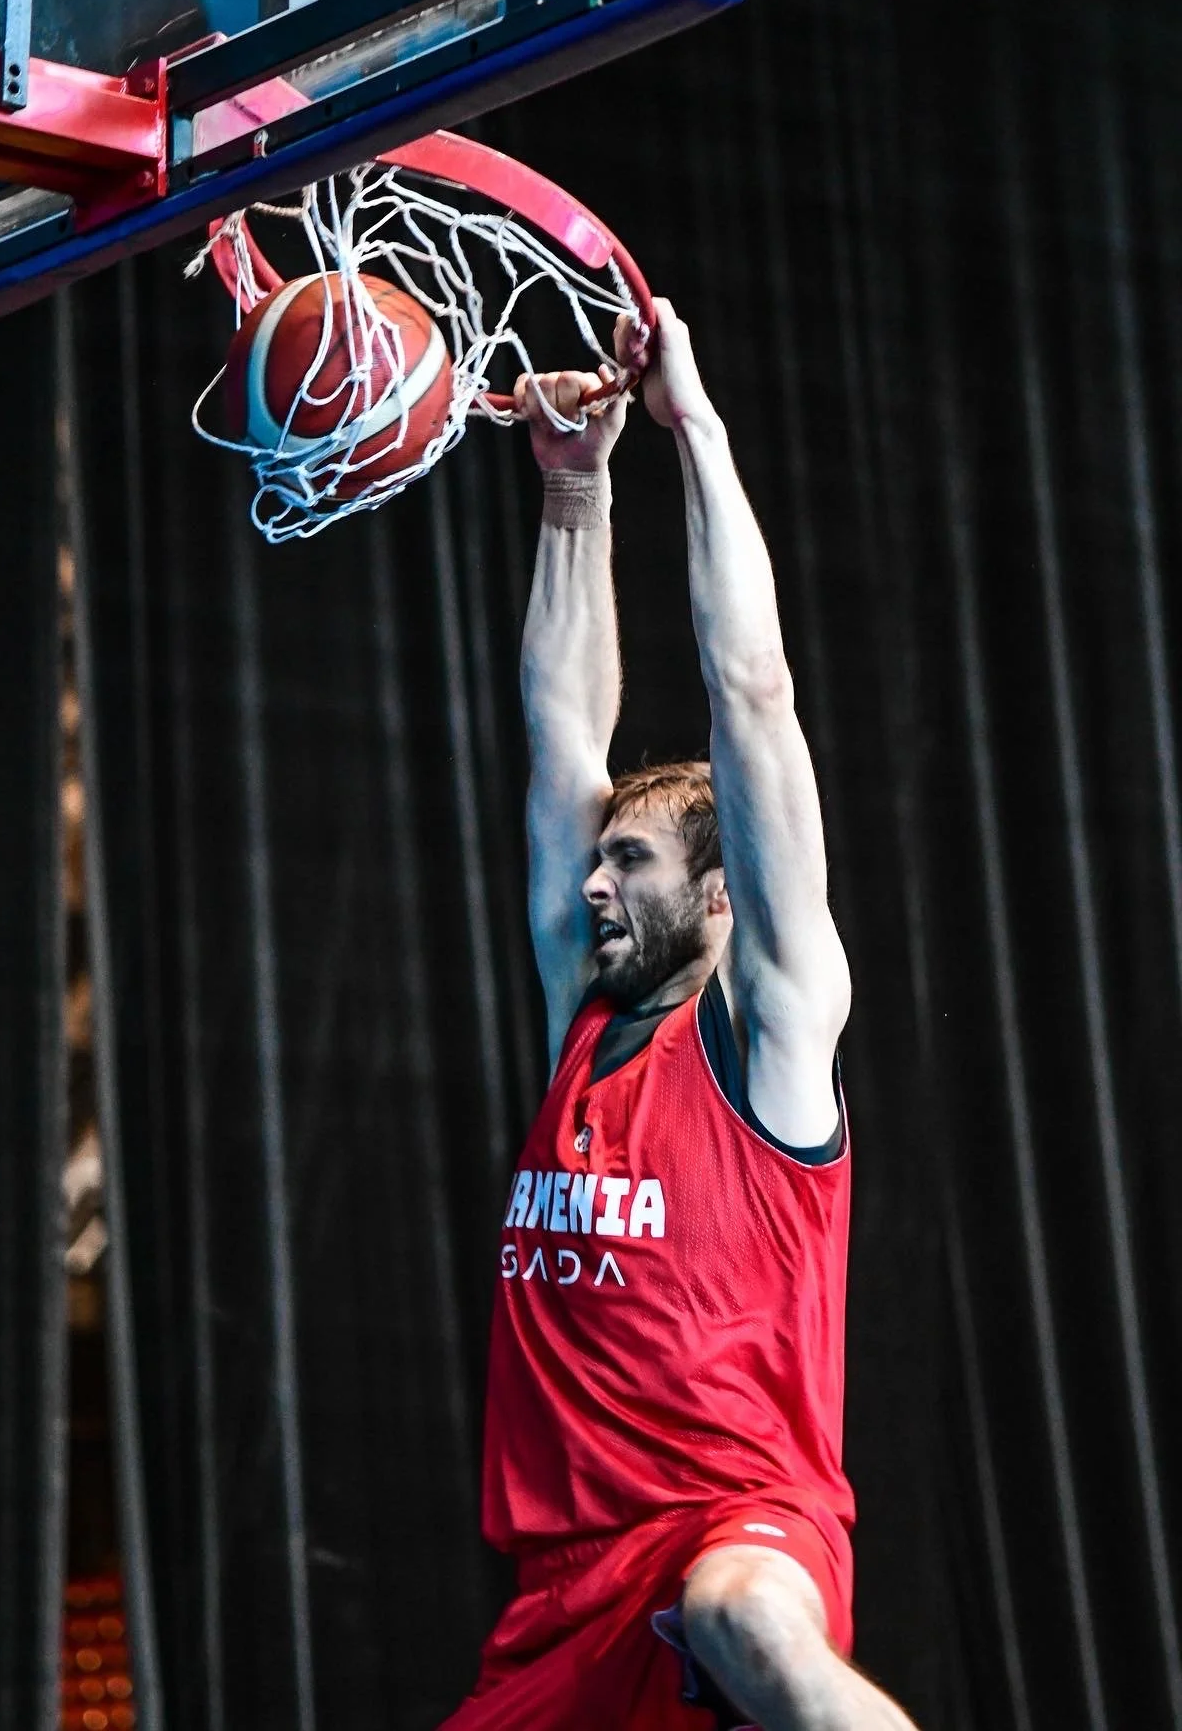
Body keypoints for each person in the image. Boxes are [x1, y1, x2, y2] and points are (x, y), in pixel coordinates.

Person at [439, 306, 921, 1731]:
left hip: (741, 1524)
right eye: (595, 859)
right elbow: (559, 738)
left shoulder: (771, 1030)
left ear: (718, 898)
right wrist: (575, 488)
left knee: (736, 1618)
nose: (590, 879)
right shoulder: (578, 1027)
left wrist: (692, 433)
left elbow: (754, 699)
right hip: (561, 1595)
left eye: (628, 860)